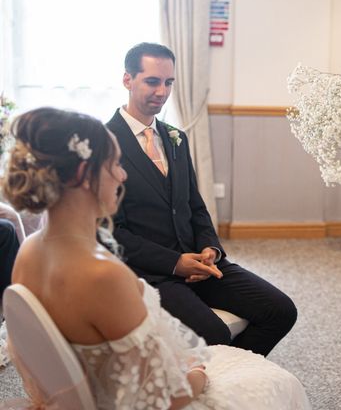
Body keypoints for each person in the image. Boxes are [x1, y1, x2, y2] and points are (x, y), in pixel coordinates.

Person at [1, 107, 311, 409]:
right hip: (144, 397)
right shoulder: (105, 275)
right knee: (277, 385)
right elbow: (168, 396)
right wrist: (199, 375)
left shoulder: (28, 251)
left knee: (276, 312)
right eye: (114, 165)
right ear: (84, 174)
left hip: (84, 392)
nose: (122, 175)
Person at [106, 42, 297, 356]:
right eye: (152, 81)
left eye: (169, 82)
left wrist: (210, 248)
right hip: (151, 273)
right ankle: (213, 384)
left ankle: (229, 378)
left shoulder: (175, 138)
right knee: (215, 336)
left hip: (200, 262)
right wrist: (175, 263)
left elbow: (194, 205)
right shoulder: (105, 143)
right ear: (128, 80)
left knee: (281, 310)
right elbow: (111, 233)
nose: (162, 91)